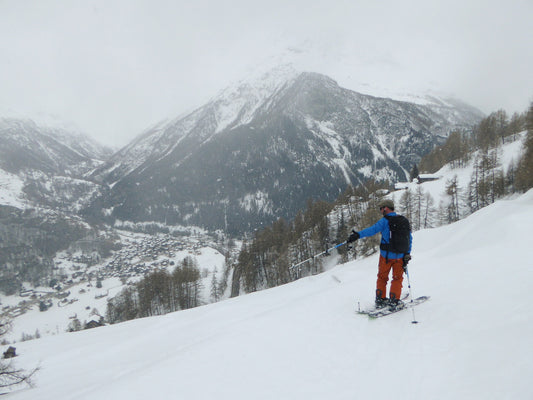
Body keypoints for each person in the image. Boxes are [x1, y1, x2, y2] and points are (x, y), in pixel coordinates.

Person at [346, 199, 412, 310]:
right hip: (400, 257)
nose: (380, 210)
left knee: (382, 278)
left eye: (381, 208)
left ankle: (380, 299)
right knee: (397, 278)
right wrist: (407, 253)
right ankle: (394, 300)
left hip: (385, 257)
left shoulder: (385, 221)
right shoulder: (404, 221)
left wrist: (357, 235)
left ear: (386, 208)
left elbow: (372, 230)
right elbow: (409, 238)